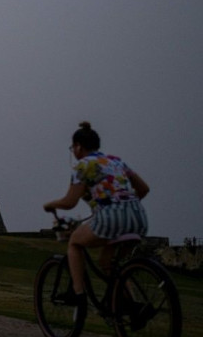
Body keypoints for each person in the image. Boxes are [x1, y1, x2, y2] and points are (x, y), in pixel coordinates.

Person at [43, 121, 150, 308]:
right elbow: (143, 189)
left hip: (110, 217)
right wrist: (124, 206)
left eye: (72, 147)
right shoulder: (117, 161)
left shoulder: (83, 166)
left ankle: (77, 294)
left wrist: (50, 204)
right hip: (137, 217)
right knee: (108, 264)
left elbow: (70, 202)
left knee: (75, 243)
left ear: (78, 147)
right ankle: (129, 305)